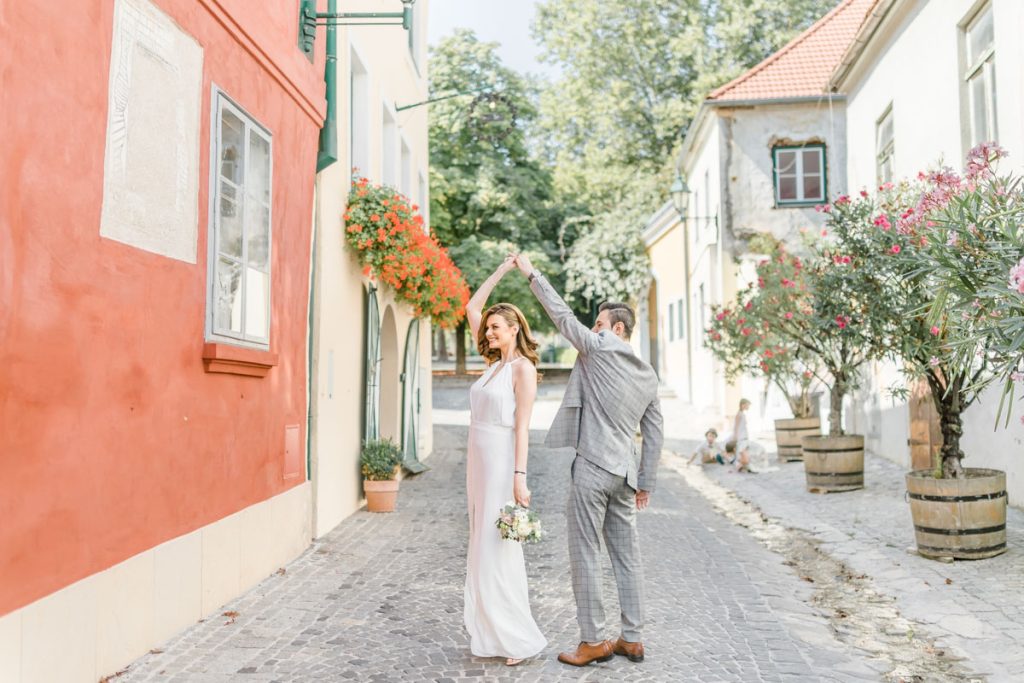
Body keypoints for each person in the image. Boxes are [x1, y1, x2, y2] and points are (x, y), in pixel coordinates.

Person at [514, 253, 663, 668]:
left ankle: (593, 640)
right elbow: (654, 432)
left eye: (598, 324)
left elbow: (561, 316)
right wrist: (646, 483)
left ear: (616, 329)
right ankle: (632, 638)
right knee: (627, 557)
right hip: (626, 475)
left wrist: (532, 274)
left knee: (585, 553)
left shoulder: (599, 349)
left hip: (594, 468)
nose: (591, 329)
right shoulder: (649, 374)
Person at [462, 256, 547, 667]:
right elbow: (470, 308)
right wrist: (500, 271)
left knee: (498, 546)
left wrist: (519, 476)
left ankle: (518, 637)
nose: (489, 331)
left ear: (515, 329)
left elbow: (522, 428)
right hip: (477, 463)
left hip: (499, 463)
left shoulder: (522, 369)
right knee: (481, 544)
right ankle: (493, 631)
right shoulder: (492, 365)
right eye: (489, 327)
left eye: (497, 327)